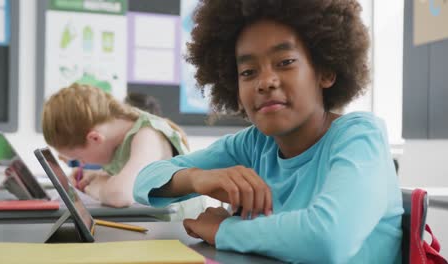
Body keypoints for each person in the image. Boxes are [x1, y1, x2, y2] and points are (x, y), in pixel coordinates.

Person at [133, 0, 403, 263]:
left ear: (326, 70)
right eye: (248, 72)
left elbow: (327, 238)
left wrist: (223, 230)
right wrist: (197, 179)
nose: (265, 82)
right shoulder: (254, 145)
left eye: (285, 62)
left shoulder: (360, 136)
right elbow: (145, 180)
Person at [42, 83, 204, 219]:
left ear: (95, 138)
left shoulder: (148, 136)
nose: (82, 164)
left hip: (179, 238)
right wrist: (100, 176)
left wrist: (96, 186)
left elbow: (119, 195)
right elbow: (138, 180)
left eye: (78, 158)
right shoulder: (122, 139)